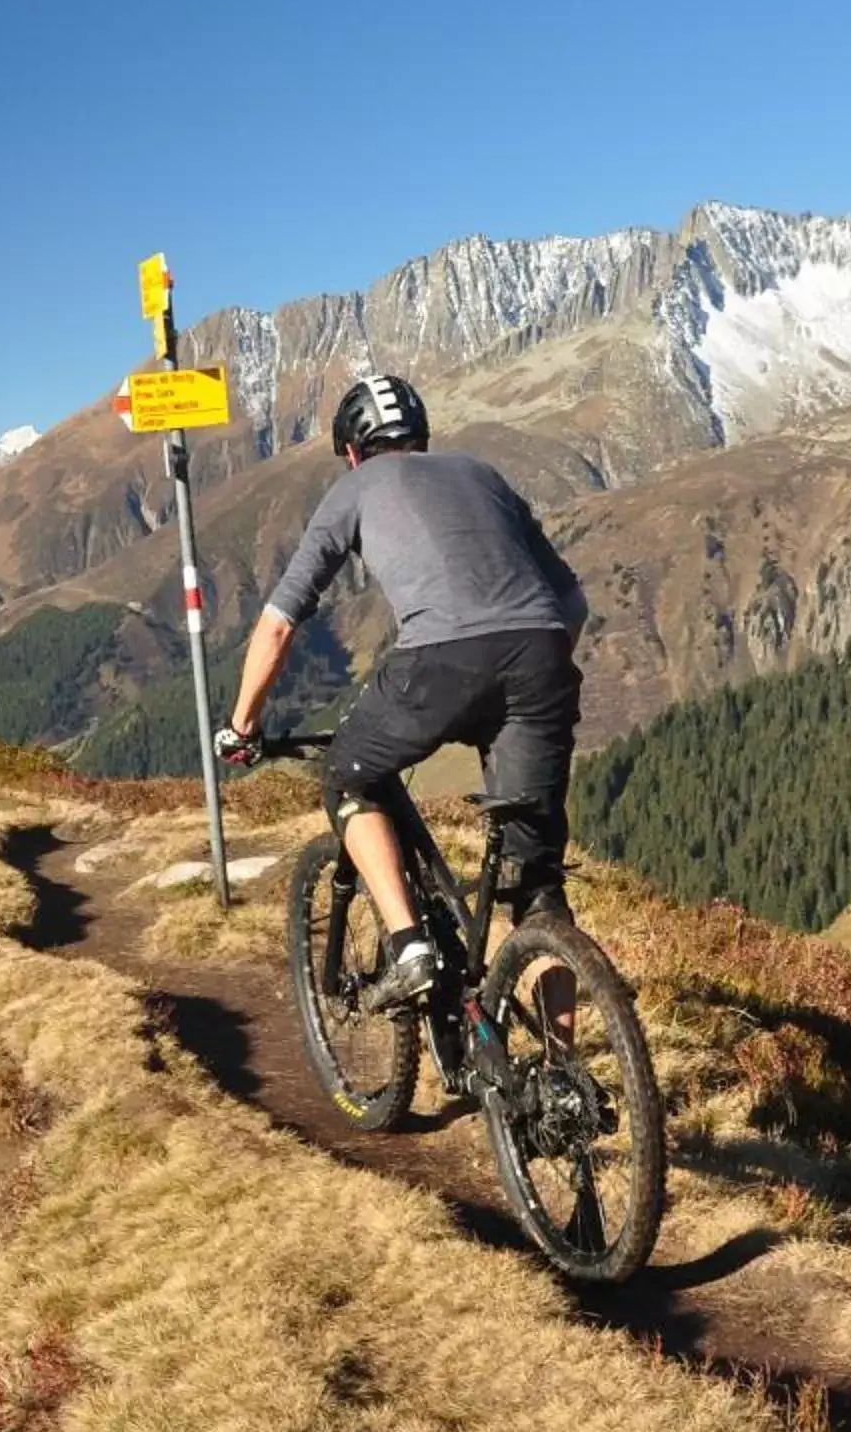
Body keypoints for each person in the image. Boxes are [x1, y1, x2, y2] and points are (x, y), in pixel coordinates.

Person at [215, 373, 589, 1010]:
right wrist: (528, 671)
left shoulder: (353, 488)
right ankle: (560, 1087)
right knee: (538, 890)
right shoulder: (481, 473)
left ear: (353, 452)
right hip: (544, 653)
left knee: (349, 779)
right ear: (421, 438)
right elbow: (572, 600)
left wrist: (242, 724)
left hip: (439, 661)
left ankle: (411, 946)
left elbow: (278, 624)